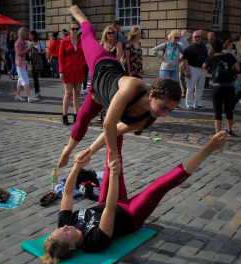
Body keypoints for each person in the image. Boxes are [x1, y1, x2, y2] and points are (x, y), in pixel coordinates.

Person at [42, 130, 227, 264]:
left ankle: (122, 115)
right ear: (72, 246)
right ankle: (208, 149)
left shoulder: (65, 222)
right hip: (130, 214)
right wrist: (114, 174)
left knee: (112, 150)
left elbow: (67, 193)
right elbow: (110, 210)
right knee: (160, 185)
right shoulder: (93, 242)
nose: (65, 226)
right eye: (65, 232)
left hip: (108, 201)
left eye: (61, 228)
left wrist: (77, 167)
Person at [57, 5, 181, 169]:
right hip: (101, 65)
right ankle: (67, 149)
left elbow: (112, 131)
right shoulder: (134, 85)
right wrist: (113, 156)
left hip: (101, 95)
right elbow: (108, 124)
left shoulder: (146, 120)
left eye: (169, 111)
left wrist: (90, 152)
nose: (164, 115)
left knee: (88, 121)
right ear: (151, 95)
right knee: (88, 35)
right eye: (164, 107)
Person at [203, 39, 240, 135]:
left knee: (218, 110)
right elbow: (238, 68)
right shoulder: (229, 56)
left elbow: (204, 67)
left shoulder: (211, 58)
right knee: (228, 109)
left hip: (217, 86)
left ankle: (217, 133)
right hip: (229, 86)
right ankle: (230, 130)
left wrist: (211, 71)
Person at [59, 21, 86, 125]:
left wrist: (82, 63)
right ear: (69, 30)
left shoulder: (81, 41)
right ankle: (65, 115)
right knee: (68, 93)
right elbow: (61, 56)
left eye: (77, 29)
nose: (75, 31)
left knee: (77, 93)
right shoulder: (64, 42)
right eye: (73, 29)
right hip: (68, 70)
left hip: (78, 70)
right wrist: (61, 71)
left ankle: (76, 115)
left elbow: (85, 54)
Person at [97, 26, 123, 123]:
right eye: (109, 33)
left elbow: (117, 58)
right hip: (103, 70)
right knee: (102, 93)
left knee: (112, 93)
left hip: (113, 71)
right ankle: (101, 114)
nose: (111, 35)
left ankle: (110, 115)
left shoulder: (118, 44)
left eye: (112, 33)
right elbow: (99, 57)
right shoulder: (102, 44)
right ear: (105, 34)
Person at [183, 30, 208, 109]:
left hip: (202, 69)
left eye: (199, 37)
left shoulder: (204, 46)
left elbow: (206, 57)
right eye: (195, 37)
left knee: (200, 87)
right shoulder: (189, 48)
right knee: (190, 87)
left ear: (201, 37)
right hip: (192, 68)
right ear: (193, 38)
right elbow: (185, 60)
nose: (197, 38)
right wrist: (188, 70)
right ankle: (189, 104)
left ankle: (197, 103)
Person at [14, 27, 38, 103]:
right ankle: (29, 97)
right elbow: (19, 53)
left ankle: (17, 95)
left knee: (20, 80)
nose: (28, 36)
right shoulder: (18, 43)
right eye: (27, 34)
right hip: (20, 63)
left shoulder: (23, 42)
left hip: (23, 62)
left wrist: (30, 48)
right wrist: (28, 49)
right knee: (25, 79)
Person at [28, 30, 45, 99]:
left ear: (34, 35)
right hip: (33, 61)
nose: (30, 36)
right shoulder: (29, 43)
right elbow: (28, 52)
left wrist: (38, 52)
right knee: (35, 77)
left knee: (39, 75)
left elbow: (44, 51)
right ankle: (37, 92)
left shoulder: (40, 42)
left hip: (39, 60)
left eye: (31, 35)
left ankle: (37, 92)